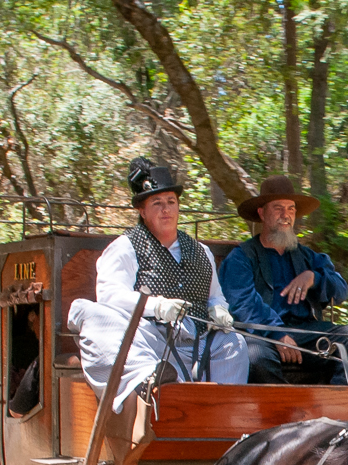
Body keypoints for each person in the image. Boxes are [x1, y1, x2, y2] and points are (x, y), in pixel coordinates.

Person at [69, 157, 246, 409]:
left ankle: (223, 412)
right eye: (157, 203)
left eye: (171, 202)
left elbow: (215, 296)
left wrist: (220, 310)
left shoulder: (201, 251)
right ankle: (149, 381)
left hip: (196, 344)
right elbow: (109, 296)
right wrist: (157, 306)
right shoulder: (125, 248)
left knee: (234, 342)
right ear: (142, 211)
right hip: (149, 342)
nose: (166, 209)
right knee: (93, 315)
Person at [218, 175, 348, 385]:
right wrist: (276, 333)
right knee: (254, 357)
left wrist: (314, 278)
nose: (285, 215)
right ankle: (285, 411)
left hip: (305, 333)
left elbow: (341, 290)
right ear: (262, 213)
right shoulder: (241, 257)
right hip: (261, 335)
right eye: (278, 208)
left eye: (291, 209)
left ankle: (344, 409)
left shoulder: (308, 257)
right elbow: (242, 303)